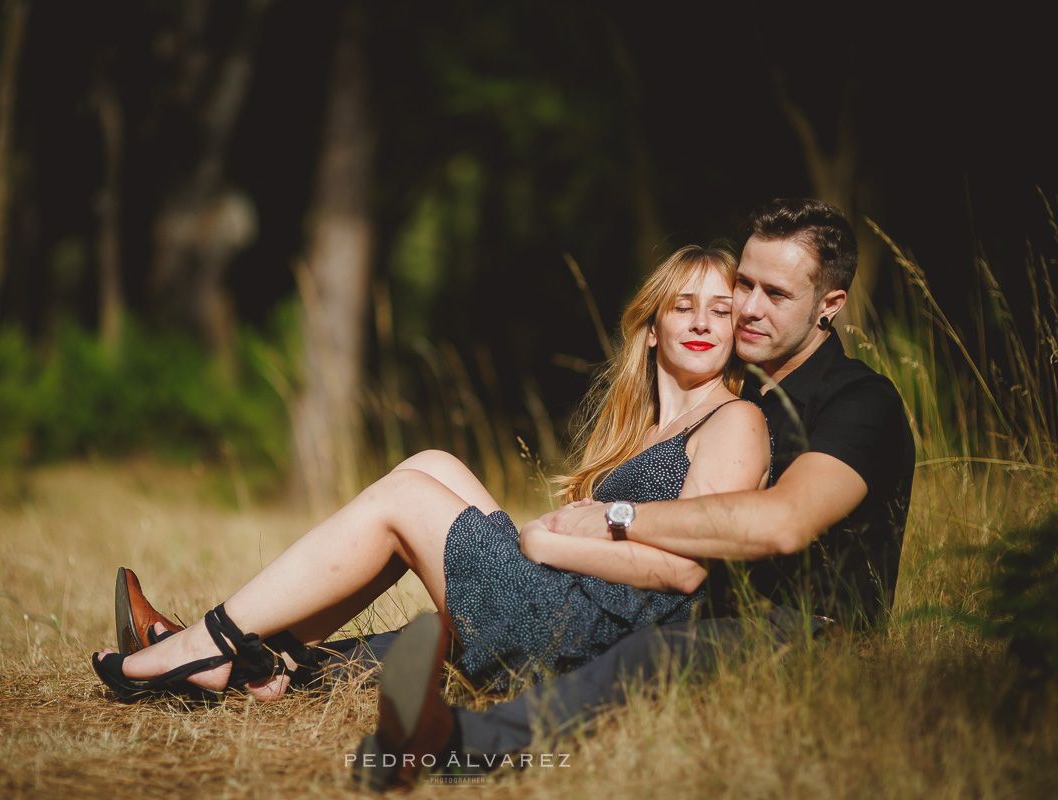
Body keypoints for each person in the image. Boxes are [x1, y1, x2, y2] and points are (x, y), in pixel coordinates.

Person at [354, 198, 916, 790]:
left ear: (830, 305)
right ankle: (293, 662)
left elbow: (783, 524)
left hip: (806, 632)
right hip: (694, 606)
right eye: (744, 284)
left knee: (650, 655)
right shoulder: (742, 389)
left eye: (775, 295)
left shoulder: (859, 402)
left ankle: (457, 745)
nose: (747, 309)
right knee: (467, 612)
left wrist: (618, 516)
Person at [90, 245, 771, 704]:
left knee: (407, 497)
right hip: (569, 606)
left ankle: (209, 645)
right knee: (431, 464)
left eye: (720, 311)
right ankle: (278, 660)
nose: (703, 322)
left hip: (589, 638)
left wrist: (546, 544)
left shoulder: (733, 422)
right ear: (651, 327)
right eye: (684, 306)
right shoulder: (645, 430)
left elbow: (688, 571)